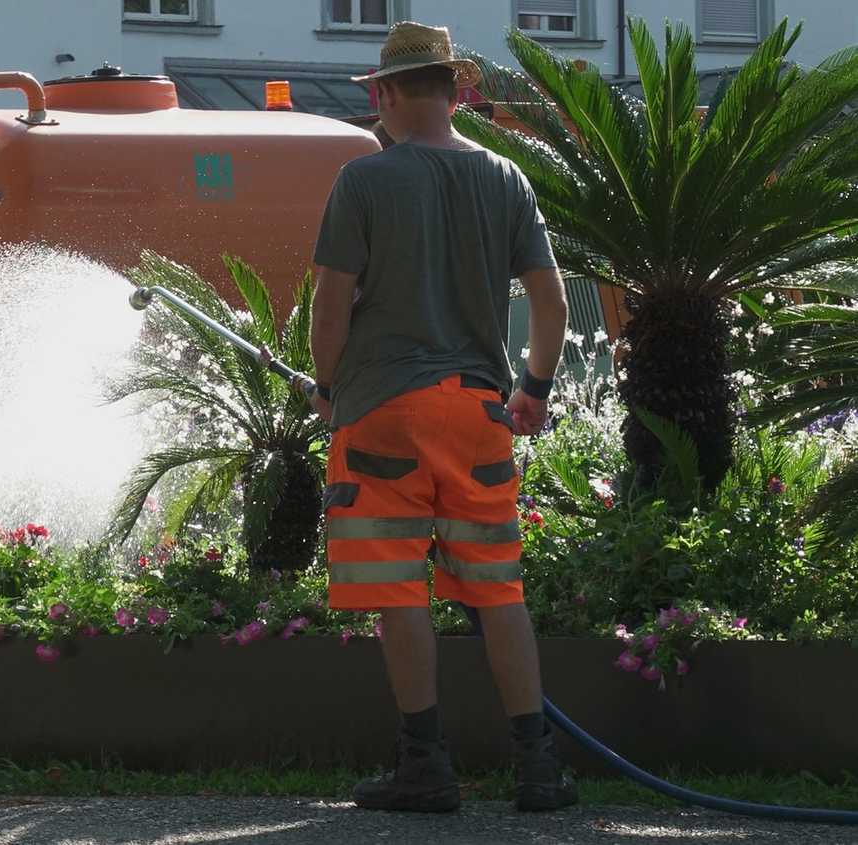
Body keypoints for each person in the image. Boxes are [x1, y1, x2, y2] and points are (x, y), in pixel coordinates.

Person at [300, 20, 577, 814]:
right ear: (456, 90)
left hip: (385, 409)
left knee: (400, 590)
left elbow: (329, 309)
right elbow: (551, 302)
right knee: (498, 590)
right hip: (479, 409)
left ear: (384, 95)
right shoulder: (505, 176)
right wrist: (535, 389)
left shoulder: (366, 178)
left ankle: (425, 764)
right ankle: (538, 765)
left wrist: (329, 389)